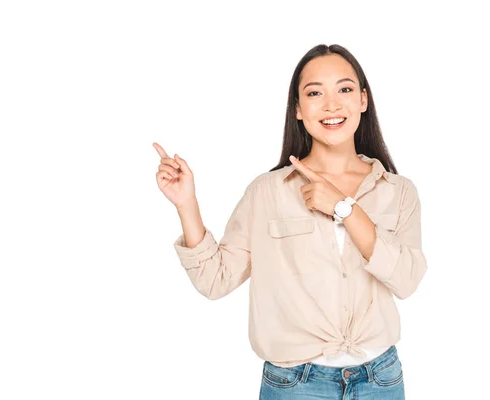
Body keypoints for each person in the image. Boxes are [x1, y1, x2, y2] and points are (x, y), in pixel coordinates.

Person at [153, 44, 427, 400]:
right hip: (295, 385)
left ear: (363, 99)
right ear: (298, 109)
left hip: (381, 380)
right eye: (315, 93)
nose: (331, 105)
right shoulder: (267, 192)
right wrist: (186, 203)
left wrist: (346, 209)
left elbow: (406, 281)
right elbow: (215, 280)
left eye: (344, 89)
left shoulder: (399, 191)